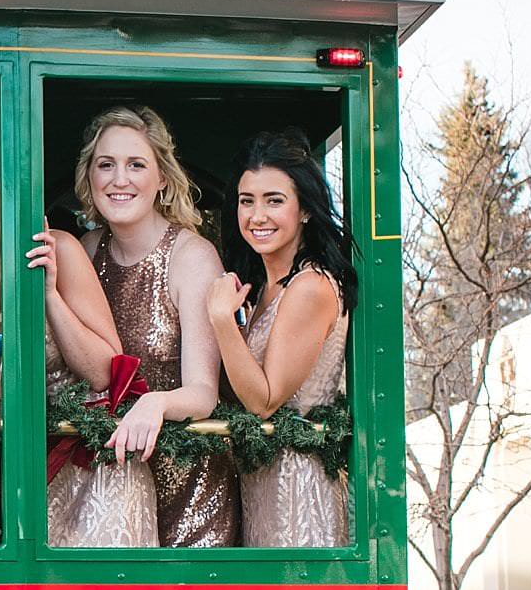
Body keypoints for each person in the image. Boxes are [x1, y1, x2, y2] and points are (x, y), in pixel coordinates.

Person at [0, 137, 155, 548]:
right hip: (22, 480)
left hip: (93, 465)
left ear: (1, 188)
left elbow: (104, 371)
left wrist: (48, 293)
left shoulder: (56, 248)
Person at [77, 105, 236, 548]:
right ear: (89, 176)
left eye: (136, 165)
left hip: (189, 495)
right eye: (105, 165)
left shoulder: (192, 257)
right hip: (109, 490)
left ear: (162, 177)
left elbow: (203, 394)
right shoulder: (87, 251)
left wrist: (157, 404)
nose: (119, 179)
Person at [209, 129, 356, 547]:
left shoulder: (309, 286)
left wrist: (222, 322)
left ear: (305, 210)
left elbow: (264, 400)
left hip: (298, 492)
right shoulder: (264, 286)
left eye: (274, 200)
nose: (257, 216)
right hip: (261, 483)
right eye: (246, 201)